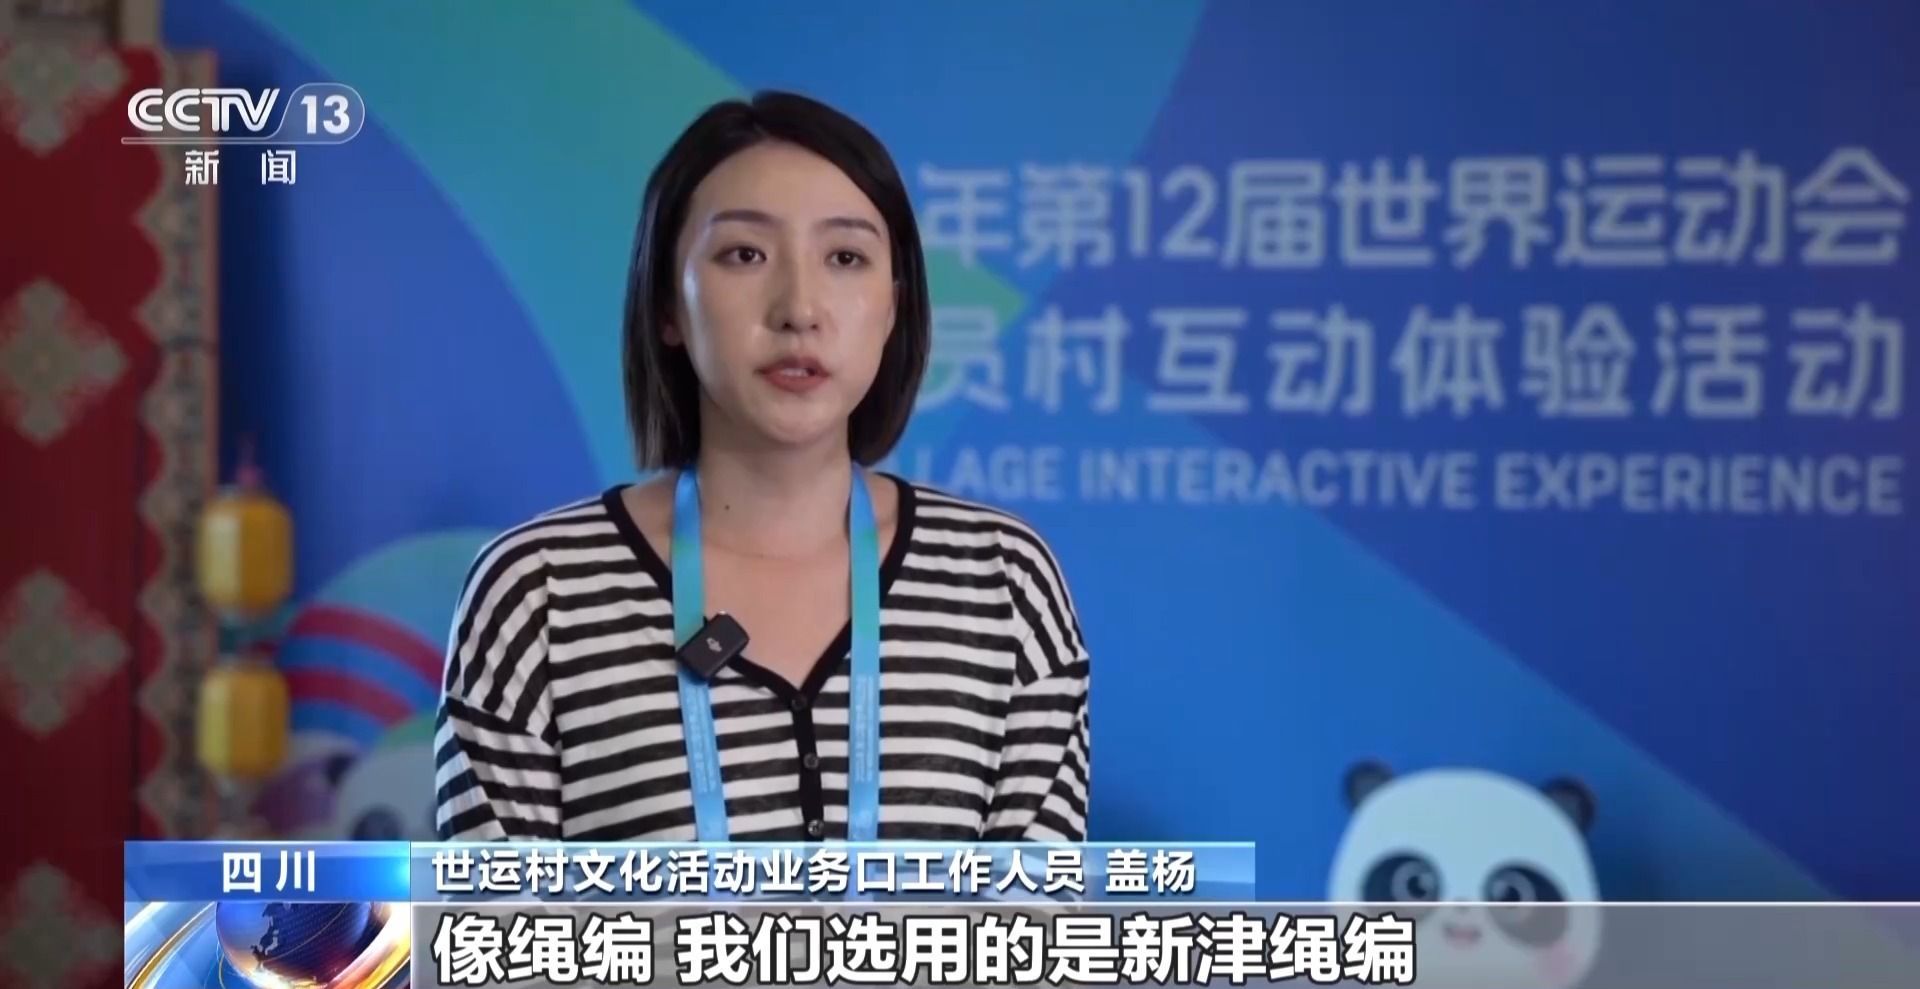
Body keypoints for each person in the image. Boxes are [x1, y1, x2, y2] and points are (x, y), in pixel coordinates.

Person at [434, 91, 1090, 844]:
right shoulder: (537, 595)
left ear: (892, 308)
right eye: (745, 254)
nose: (799, 308)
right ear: (667, 305)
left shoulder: (1002, 583)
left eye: (845, 258)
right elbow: (491, 913)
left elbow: (1036, 913)